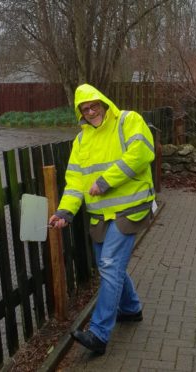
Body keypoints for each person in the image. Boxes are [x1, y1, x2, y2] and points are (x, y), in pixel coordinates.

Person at [49, 83, 156, 355]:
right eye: (85, 109)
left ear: (104, 103)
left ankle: (98, 333)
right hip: (100, 215)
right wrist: (65, 212)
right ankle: (131, 309)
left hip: (130, 208)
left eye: (94, 105)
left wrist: (106, 181)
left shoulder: (128, 121)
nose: (90, 111)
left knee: (109, 264)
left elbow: (142, 154)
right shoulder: (81, 140)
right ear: (80, 113)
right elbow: (74, 182)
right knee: (107, 266)